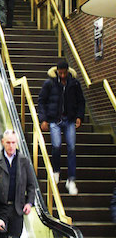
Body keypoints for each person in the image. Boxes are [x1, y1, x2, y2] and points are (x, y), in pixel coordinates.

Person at [38, 60, 85, 195]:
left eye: (65, 72)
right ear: (57, 71)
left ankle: (71, 179)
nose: (63, 75)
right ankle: (56, 170)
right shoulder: (50, 83)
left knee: (71, 148)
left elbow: (81, 101)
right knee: (56, 145)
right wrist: (43, 119)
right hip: (54, 120)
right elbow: (41, 101)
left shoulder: (74, 83)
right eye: (61, 72)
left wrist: (79, 117)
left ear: (68, 71)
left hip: (69, 120)